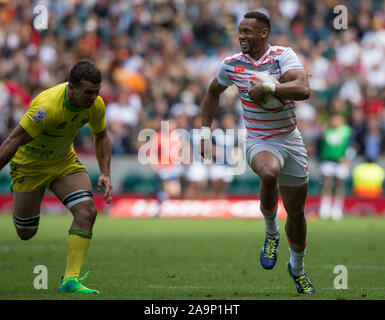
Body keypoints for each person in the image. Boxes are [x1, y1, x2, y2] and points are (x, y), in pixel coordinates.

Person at [199, 11, 314, 294]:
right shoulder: (231, 65)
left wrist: (270, 87)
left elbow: (303, 88)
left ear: (264, 33)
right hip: (259, 139)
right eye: (240, 31)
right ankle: (271, 232)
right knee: (268, 171)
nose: (242, 36)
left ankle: (297, 269)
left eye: (248, 31)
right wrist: (204, 133)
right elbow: (213, 92)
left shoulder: (282, 56)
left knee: (297, 213)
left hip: (290, 139)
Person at [0, 60, 112, 294]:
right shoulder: (47, 106)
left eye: (97, 92)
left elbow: (101, 135)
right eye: (88, 92)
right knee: (26, 233)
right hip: (30, 165)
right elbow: (13, 141)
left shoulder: (96, 105)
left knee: (87, 211)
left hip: (63, 161)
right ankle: (23, 194)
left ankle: (70, 281)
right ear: (71, 88)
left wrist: (105, 172)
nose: (93, 98)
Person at [318, 113, 352, 220]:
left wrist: (347, 157)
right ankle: (325, 208)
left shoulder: (346, 131)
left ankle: (337, 208)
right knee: (327, 184)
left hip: (341, 162)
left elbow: (351, 145)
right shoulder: (326, 131)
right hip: (328, 161)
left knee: (339, 185)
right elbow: (321, 145)